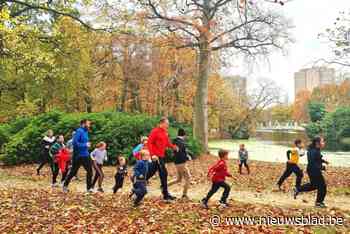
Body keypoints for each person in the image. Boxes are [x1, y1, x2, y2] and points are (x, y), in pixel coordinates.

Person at [147, 117, 178, 201]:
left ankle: (138, 180)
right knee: (164, 174)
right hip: (156, 157)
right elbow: (149, 143)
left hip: (161, 156)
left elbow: (167, 142)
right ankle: (165, 194)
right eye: (167, 123)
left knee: (151, 172)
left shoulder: (165, 132)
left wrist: (173, 147)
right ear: (161, 123)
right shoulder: (155, 131)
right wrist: (152, 154)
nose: (168, 125)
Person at [294, 137, 329, 208]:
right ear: (317, 143)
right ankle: (319, 203)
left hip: (312, 170)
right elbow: (312, 162)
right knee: (322, 186)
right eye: (322, 141)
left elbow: (317, 159)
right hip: (313, 170)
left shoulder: (315, 150)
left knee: (314, 185)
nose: (324, 143)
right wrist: (322, 167)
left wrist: (323, 161)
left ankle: (298, 189)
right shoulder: (313, 151)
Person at [63, 119, 93, 193]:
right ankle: (65, 186)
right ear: (83, 124)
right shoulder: (79, 131)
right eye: (88, 124)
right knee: (74, 171)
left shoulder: (85, 132)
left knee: (89, 171)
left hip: (85, 154)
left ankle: (89, 188)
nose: (89, 125)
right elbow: (75, 143)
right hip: (79, 155)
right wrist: (85, 145)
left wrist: (87, 146)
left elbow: (84, 142)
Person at [168, 128, 192, 199]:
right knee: (188, 178)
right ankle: (184, 194)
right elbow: (180, 153)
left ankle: (164, 186)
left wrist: (187, 155)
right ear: (184, 135)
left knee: (179, 179)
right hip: (181, 163)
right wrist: (186, 157)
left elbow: (179, 151)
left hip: (177, 162)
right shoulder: (181, 142)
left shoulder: (176, 141)